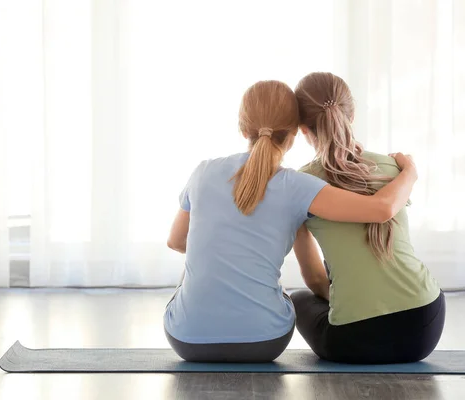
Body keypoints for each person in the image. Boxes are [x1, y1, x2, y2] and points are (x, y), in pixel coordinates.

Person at [164, 80, 418, 363]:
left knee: (190, 273)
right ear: (296, 132)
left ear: (242, 128)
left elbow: (176, 242)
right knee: (291, 296)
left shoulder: (203, 172)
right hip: (265, 343)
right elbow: (381, 209)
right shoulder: (299, 187)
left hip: (187, 341)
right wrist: (409, 172)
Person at [291, 72, 444, 364]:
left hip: (354, 340)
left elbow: (313, 278)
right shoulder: (393, 166)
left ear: (302, 129)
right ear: (352, 114)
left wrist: (348, 296)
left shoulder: (302, 184)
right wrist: (410, 172)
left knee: (298, 300)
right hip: (425, 326)